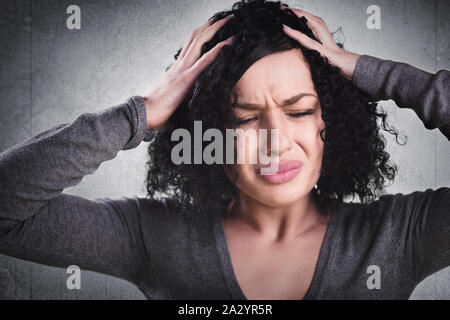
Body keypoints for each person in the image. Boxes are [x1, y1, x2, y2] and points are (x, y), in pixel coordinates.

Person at [0, 0, 449, 300]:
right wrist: (141, 114)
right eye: (243, 119)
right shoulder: (151, 236)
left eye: (299, 111)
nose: (274, 141)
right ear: (208, 132)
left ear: (330, 122)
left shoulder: (399, 237)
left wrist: (378, 75)